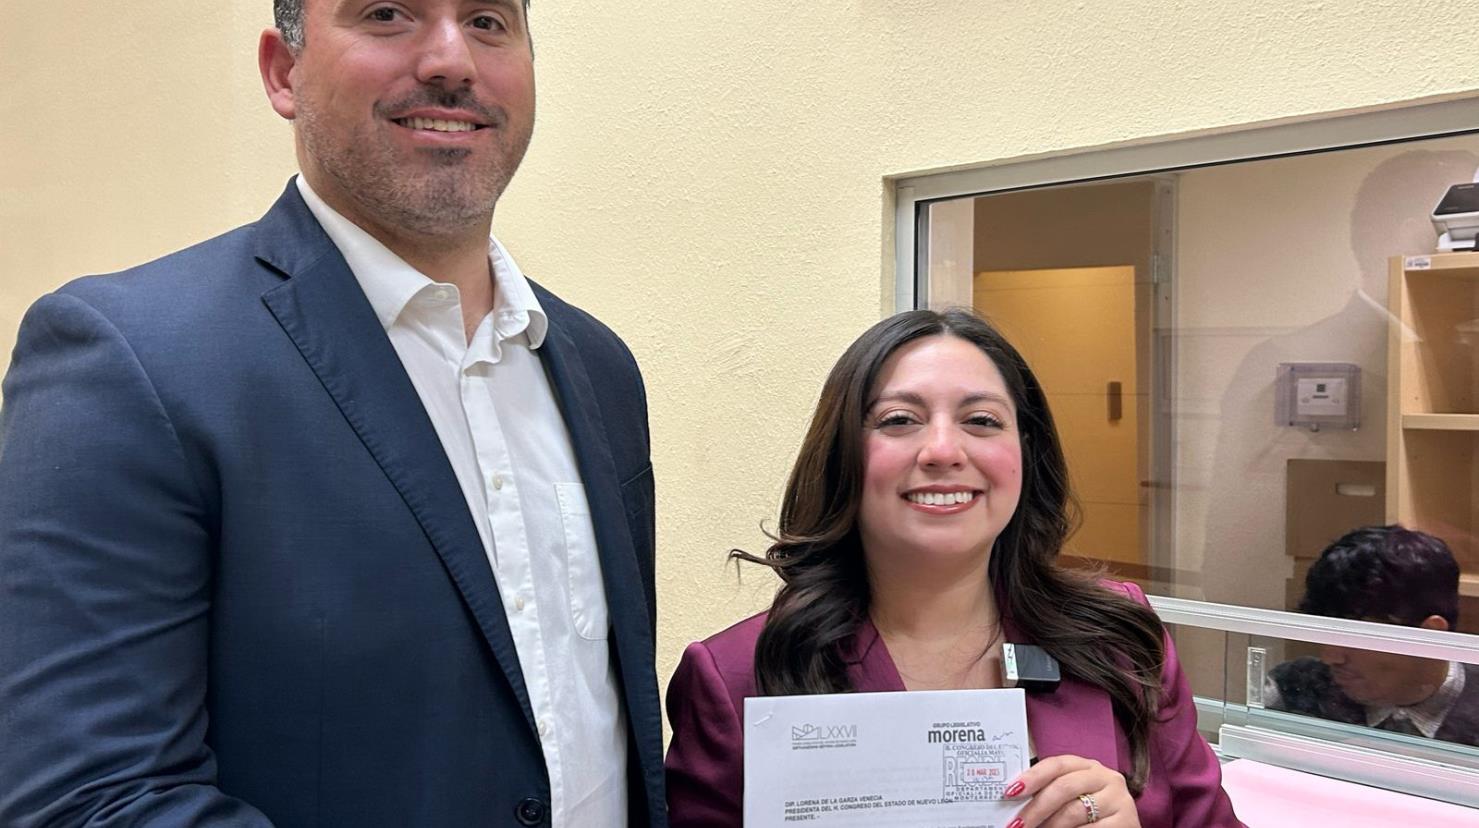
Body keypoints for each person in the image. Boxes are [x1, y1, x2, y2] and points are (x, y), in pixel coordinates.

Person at [0, 2, 663, 826]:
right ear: (283, 71)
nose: (451, 59)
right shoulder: (132, 360)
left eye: (489, 20)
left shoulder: (599, 369)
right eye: (388, 13)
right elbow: (89, 799)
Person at [664, 309, 1242, 828]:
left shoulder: (1120, 639)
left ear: (1025, 454)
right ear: (842, 456)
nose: (943, 450)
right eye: (898, 420)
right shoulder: (734, 678)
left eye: (982, 421)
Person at [1266, 525, 1477, 745]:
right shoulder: (1295, 688)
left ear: (1431, 634)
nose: (1330, 657)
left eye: (1354, 637)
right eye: (1325, 632)